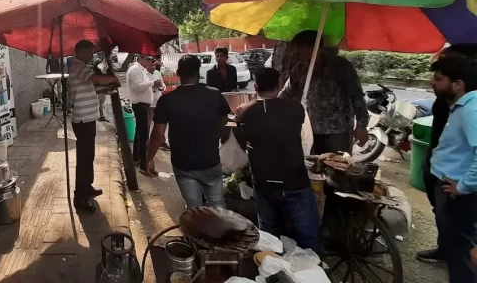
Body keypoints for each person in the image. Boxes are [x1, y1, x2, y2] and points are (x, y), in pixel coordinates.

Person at [237, 68, 321, 254]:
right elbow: (307, 143)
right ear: (278, 86)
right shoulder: (297, 109)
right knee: (307, 234)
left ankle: (272, 270)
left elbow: (244, 143)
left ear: (255, 86)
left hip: (263, 181)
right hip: (294, 180)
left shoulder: (244, 113)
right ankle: (313, 271)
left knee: (269, 236)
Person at [418, 43, 477, 264]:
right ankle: (448, 250)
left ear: (458, 83)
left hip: (456, 184)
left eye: (439, 78)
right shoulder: (458, 104)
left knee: (462, 249)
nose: (432, 82)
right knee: (453, 237)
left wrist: (463, 186)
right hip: (443, 170)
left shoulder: (471, 109)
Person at [145, 55, 230, 208]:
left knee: (194, 208)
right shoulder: (214, 93)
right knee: (218, 204)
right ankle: (222, 230)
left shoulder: (167, 100)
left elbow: (158, 135)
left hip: (183, 164)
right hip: (210, 160)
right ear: (198, 73)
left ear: (178, 72)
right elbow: (224, 119)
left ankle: (197, 231)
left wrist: (149, 157)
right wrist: (213, 135)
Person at [280, 30, 369, 154]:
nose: (296, 52)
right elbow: (287, 93)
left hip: (338, 130)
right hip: (310, 130)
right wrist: (271, 109)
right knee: (313, 167)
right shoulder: (300, 69)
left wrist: (362, 125)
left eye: (300, 47)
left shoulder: (341, 66)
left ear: (314, 47)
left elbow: (357, 96)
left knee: (338, 167)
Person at [68, 40, 121, 212]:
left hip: (88, 120)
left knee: (88, 156)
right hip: (83, 121)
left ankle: (87, 186)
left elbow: (89, 88)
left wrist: (102, 91)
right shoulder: (78, 66)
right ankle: (80, 197)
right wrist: (112, 78)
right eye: (90, 52)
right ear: (81, 52)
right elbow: (95, 78)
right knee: (84, 159)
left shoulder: (82, 67)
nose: (92, 56)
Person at [127, 54, 161, 175]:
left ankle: (136, 158)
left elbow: (144, 87)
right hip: (140, 105)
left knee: (140, 133)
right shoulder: (135, 70)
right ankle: (143, 164)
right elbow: (137, 87)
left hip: (144, 104)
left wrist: (153, 85)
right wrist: (152, 83)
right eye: (148, 59)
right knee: (144, 136)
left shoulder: (141, 70)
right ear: (140, 58)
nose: (149, 62)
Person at [149, 60, 169, 151]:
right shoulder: (143, 74)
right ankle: (147, 142)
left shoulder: (157, 73)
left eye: (154, 65)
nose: (153, 67)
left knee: (160, 123)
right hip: (148, 102)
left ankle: (161, 141)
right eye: (151, 65)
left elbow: (163, 85)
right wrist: (153, 85)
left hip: (158, 101)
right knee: (147, 124)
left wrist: (162, 87)